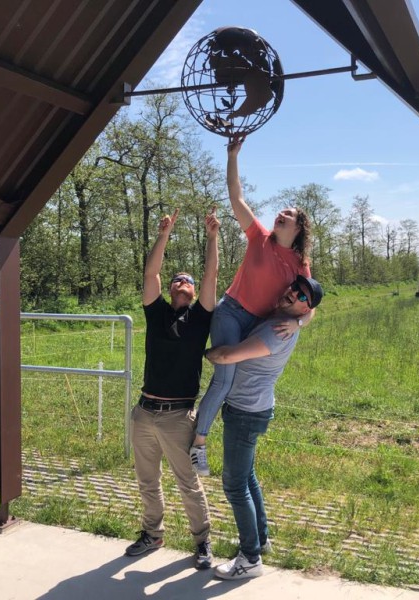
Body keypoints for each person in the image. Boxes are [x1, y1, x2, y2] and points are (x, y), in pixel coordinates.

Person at [190, 135, 315, 476]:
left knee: (234, 383)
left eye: (288, 214)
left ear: (299, 227)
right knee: (225, 379)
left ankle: (198, 419)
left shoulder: (300, 266)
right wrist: (233, 156)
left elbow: (311, 306)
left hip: (256, 325)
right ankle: (198, 445)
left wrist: (298, 323)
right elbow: (236, 197)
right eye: (280, 211)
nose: (280, 214)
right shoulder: (259, 237)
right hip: (231, 313)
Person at [206, 275, 323, 580]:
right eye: (295, 288)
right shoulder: (284, 320)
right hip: (253, 408)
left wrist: (201, 353)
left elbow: (227, 355)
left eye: (302, 297)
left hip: (246, 412)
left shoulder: (276, 330)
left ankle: (250, 558)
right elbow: (310, 310)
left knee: (234, 485)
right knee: (247, 476)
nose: (293, 294)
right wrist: (301, 320)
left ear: (304, 308)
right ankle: (261, 538)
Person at [125, 208, 219, 570]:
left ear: (194, 292)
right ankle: (153, 534)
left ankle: (202, 541)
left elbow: (211, 275)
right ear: (169, 288)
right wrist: (163, 233)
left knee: (188, 482)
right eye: (177, 280)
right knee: (147, 479)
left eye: (188, 281)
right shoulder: (157, 313)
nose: (182, 283)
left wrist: (212, 237)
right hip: (144, 412)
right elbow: (150, 273)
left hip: (178, 416)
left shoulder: (201, 317)